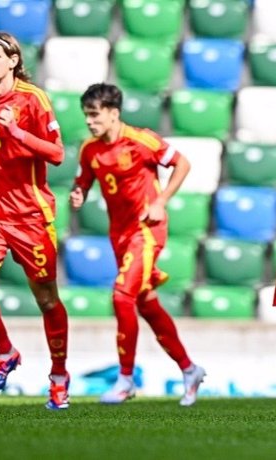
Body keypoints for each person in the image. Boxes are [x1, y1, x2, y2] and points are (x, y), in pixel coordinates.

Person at [69, 83, 206, 406]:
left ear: (113, 113)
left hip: (146, 231)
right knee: (146, 305)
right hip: (118, 235)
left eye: (94, 114)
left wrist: (160, 200)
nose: (90, 121)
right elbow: (83, 180)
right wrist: (79, 192)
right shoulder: (89, 149)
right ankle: (189, 369)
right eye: (86, 115)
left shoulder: (141, 140)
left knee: (122, 296)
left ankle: (126, 379)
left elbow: (182, 163)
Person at [0, 31, 70, 409]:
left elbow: (57, 154)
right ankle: (6, 353)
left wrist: (16, 131)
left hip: (31, 216)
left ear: (13, 60)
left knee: (46, 300)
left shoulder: (34, 99)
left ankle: (58, 377)